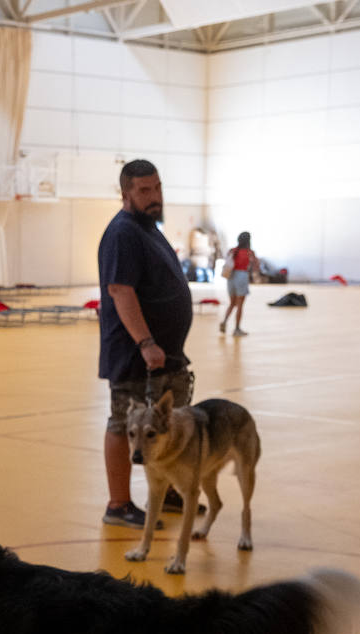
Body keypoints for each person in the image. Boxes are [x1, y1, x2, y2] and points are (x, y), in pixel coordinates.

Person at [97, 159, 196, 528]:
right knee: (124, 424)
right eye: (144, 191)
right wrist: (146, 342)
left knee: (168, 423)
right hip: (137, 354)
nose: (154, 196)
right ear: (126, 193)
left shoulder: (149, 228)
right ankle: (118, 505)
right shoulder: (123, 232)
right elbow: (120, 291)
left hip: (166, 355)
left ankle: (170, 491)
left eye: (157, 188)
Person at [219, 231, 256, 336]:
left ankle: (224, 322)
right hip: (242, 277)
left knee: (232, 303)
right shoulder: (249, 252)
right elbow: (255, 265)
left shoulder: (232, 251)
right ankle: (237, 328)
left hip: (231, 277)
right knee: (240, 305)